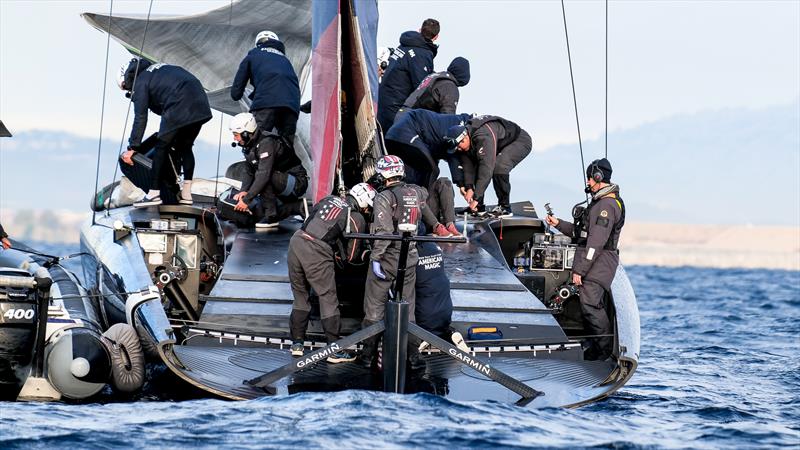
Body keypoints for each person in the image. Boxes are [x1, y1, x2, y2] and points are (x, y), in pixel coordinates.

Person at [544, 158, 625, 361]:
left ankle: (605, 351)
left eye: (590, 178)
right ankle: (597, 346)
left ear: (598, 177)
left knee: (590, 303)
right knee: (587, 304)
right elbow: (582, 234)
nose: (588, 182)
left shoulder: (606, 206)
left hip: (599, 262)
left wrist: (580, 269)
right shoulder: (600, 203)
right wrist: (559, 224)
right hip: (595, 261)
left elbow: (595, 242)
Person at [287, 183, 376, 363]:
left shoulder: (329, 199)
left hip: (296, 241)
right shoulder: (356, 217)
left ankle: (297, 344)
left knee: (300, 296)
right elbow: (351, 256)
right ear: (364, 202)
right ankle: (334, 349)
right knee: (328, 298)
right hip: (317, 250)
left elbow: (311, 219)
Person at [359, 155, 432, 367]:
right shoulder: (417, 192)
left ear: (384, 175)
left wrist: (375, 258)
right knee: (408, 310)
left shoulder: (385, 197)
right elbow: (425, 198)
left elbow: (384, 232)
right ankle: (414, 358)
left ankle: (366, 357)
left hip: (387, 259)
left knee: (373, 307)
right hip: (409, 258)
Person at [118, 58, 212, 207]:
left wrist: (133, 148)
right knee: (185, 147)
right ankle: (186, 194)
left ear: (127, 78)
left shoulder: (141, 82)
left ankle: (154, 193)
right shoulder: (158, 70)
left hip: (179, 101)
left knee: (162, 146)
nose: (129, 92)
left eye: (126, 89)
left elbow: (140, 117)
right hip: (201, 103)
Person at [385, 109, 473, 235]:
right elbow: (455, 158)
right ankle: (434, 225)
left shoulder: (452, 133)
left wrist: (462, 184)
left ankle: (450, 224)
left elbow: (453, 157)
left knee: (444, 182)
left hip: (409, 135)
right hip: (405, 133)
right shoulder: (454, 129)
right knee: (430, 172)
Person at [229, 112, 308, 228]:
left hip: (296, 183)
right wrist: (244, 191)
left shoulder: (267, 143)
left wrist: (246, 200)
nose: (234, 138)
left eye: (236, 135)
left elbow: (264, 175)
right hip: (280, 181)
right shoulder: (249, 145)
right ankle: (298, 207)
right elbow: (249, 170)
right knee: (257, 212)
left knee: (263, 175)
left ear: (246, 134)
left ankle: (271, 216)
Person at [445, 115, 533, 218]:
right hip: (500, 143)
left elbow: (486, 169)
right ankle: (479, 208)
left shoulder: (483, 136)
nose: (458, 150)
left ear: (464, 138)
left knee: (499, 166)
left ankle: (504, 207)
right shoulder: (466, 139)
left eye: (458, 147)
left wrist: (476, 197)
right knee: (478, 162)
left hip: (520, 140)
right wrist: (469, 187)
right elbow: (468, 166)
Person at [231, 30, 301, 148]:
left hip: (266, 101)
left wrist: (236, 95)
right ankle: (286, 164)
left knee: (257, 142)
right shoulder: (285, 60)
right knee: (287, 146)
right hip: (291, 105)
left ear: (258, 44)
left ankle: (258, 164)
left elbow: (236, 91)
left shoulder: (253, 56)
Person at [377, 19, 440, 132]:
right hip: (396, 109)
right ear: (436, 37)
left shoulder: (404, 45)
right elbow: (421, 88)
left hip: (382, 102)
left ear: (420, 30)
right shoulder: (422, 54)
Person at [395, 56, 470, 121]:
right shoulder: (449, 86)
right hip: (413, 122)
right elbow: (447, 117)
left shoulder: (434, 76)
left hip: (403, 115)